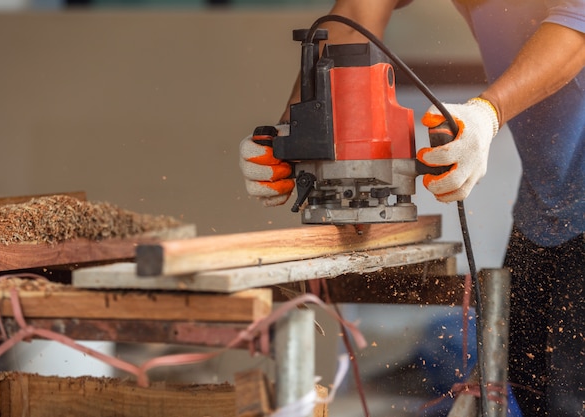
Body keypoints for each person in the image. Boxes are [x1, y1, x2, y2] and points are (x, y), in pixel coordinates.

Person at [239, 0, 585, 416]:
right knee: (533, 395)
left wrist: (487, 114)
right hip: (546, 206)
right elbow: (358, 11)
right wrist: (295, 131)